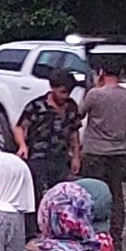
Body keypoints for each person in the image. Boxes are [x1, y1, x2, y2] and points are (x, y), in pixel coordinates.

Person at [78, 61, 126, 244]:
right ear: (121, 73)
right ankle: (115, 238)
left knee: (92, 192)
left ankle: (91, 234)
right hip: (119, 151)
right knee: (116, 194)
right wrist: (123, 125)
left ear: (102, 73)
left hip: (95, 150)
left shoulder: (95, 95)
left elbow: (78, 114)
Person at [18, 70, 84, 201]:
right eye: (62, 92)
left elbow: (74, 132)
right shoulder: (37, 106)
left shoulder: (71, 106)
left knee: (60, 196)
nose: (66, 96)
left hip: (61, 159)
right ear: (53, 88)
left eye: (69, 92)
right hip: (39, 157)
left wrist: (76, 156)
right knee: (39, 195)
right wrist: (22, 145)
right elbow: (19, 127)